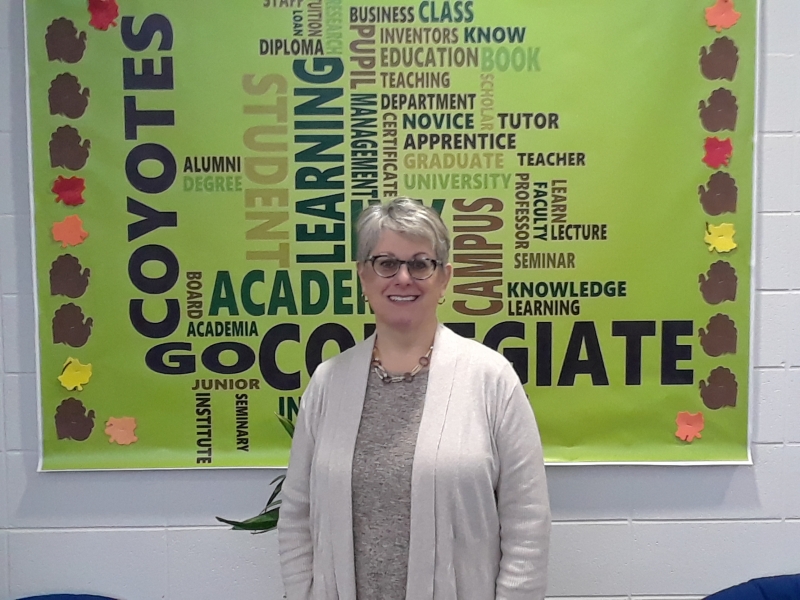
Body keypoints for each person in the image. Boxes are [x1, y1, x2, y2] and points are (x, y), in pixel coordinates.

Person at [278, 197, 550, 600]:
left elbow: (527, 523)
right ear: (363, 276)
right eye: (386, 263)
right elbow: (297, 516)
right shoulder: (328, 383)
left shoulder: (491, 379)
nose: (403, 278)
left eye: (421, 264)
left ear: (444, 278)